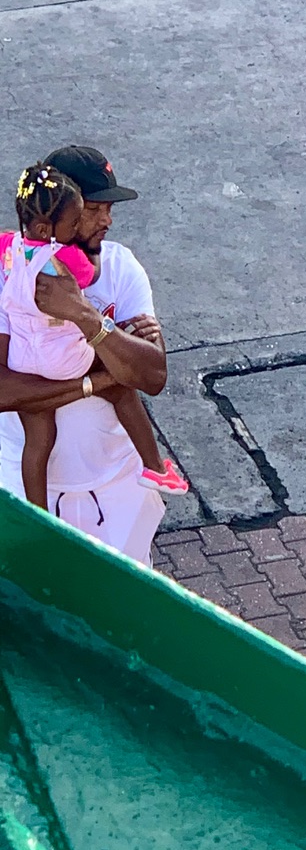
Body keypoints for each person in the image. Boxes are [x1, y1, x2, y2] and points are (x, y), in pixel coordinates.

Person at [0, 146, 176, 564]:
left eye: (108, 209)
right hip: (19, 483)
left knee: (121, 598)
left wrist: (85, 317)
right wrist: (101, 380)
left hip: (116, 485)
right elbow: (3, 391)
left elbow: (152, 377)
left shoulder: (122, 267)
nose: (106, 221)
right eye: (94, 209)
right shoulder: (9, 271)